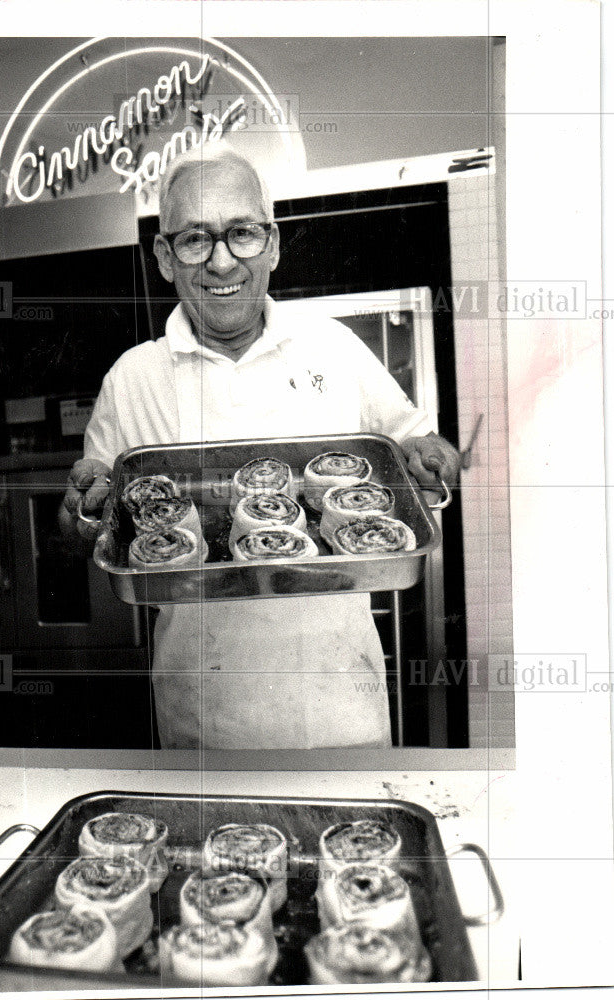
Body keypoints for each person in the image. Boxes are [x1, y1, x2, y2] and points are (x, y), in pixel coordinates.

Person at [59, 142, 460, 750]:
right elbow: (87, 526)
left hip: (340, 708)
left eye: (242, 233)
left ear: (272, 243)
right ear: (165, 257)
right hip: (204, 717)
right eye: (195, 239)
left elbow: (411, 449)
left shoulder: (335, 348)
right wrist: (81, 512)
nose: (222, 262)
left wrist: (431, 458)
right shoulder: (131, 379)